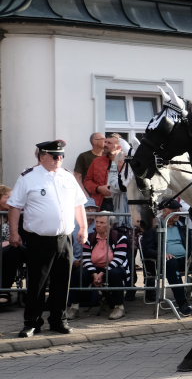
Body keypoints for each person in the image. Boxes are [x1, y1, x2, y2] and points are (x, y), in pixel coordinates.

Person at [7, 140, 88, 336]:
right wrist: (14, 232)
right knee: (37, 283)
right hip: (39, 239)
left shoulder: (67, 177)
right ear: (42, 156)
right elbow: (15, 206)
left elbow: (79, 204)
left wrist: (84, 228)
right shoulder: (28, 177)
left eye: (61, 156)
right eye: (54, 156)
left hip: (64, 238)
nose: (59, 159)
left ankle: (58, 320)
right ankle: (32, 322)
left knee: (62, 282)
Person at [141, 199, 192, 316]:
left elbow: (191, 245)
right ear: (164, 212)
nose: (178, 213)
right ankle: (183, 304)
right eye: (174, 210)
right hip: (164, 262)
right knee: (171, 262)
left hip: (185, 260)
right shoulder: (154, 228)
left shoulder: (182, 226)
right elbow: (147, 250)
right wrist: (162, 254)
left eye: (178, 210)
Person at [79, 212, 130, 319]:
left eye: (102, 222)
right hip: (95, 268)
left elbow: (118, 259)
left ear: (110, 225)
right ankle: (74, 306)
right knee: (78, 273)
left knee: (114, 273)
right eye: (97, 222)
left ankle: (119, 307)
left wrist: (102, 273)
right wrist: (94, 273)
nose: (98, 225)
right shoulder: (90, 238)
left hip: (115, 267)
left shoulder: (120, 237)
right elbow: (86, 258)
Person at [0, 183, 25, 309]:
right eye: (7, 197)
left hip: (13, 249)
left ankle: (4, 290)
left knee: (12, 250)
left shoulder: (17, 215)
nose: (11, 200)